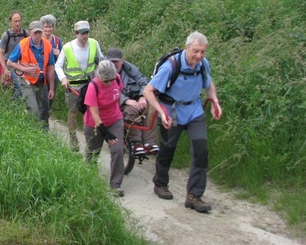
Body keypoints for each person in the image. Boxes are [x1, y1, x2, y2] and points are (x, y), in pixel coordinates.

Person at [143, 31, 222, 213]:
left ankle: (194, 196)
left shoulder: (202, 64)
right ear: (187, 48)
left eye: (203, 52)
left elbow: (209, 84)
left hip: (194, 111)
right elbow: (148, 91)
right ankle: (160, 183)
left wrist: (215, 103)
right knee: (168, 148)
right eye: (196, 51)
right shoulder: (171, 66)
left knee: (201, 151)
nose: (199, 56)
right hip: (172, 111)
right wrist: (162, 112)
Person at [55, 20, 103, 151]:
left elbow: (102, 60)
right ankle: (73, 137)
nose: (85, 36)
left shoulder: (94, 44)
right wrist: (63, 78)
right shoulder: (67, 48)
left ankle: (93, 138)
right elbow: (58, 66)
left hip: (91, 85)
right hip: (73, 87)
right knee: (73, 113)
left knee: (93, 112)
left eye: (86, 33)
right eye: (82, 34)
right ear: (76, 33)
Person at [83, 60, 125, 197]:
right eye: (105, 81)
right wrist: (105, 133)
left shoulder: (117, 79)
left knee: (118, 149)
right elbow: (94, 113)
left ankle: (115, 185)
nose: (108, 83)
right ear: (99, 77)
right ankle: (88, 181)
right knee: (93, 153)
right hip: (94, 122)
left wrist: (117, 114)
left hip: (114, 119)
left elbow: (118, 98)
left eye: (111, 80)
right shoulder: (93, 86)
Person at [106, 47, 158, 157]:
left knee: (151, 110)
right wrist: (126, 100)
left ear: (122, 61)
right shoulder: (104, 72)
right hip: (118, 102)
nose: (114, 64)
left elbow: (144, 82)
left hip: (136, 97)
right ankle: (136, 143)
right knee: (131, 111)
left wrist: (142, 96)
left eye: (116, 61)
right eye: (111, 61)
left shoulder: (130, 69)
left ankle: (150, 143)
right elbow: (108, 91)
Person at [7, 21, 56, 130]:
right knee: (34, 110)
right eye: (35, 33)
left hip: (41, 83)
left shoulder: (47, 45)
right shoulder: (23, 44)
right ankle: (33, 134)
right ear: (30, 32)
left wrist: (51, 89)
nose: (37, 35)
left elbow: (51, 67)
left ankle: (34, 133)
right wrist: (25, 69)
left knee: (40, 110)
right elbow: (10, 62)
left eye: (39, 32)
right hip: (26, 82)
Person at [0, 11, 28, 88]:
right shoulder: (6, 35)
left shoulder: (25, 34)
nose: (17, 23)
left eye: (19, 21)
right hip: (9, 65)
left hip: (22, 64)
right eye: (15, 21)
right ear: (11, 22)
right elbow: (1, 54)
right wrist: (5, 69)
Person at [41, 14, 63, 107]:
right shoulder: (38, 39)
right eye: (46, 27)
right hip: (41, 71)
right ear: (42, 27)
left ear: (53, 27)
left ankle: (48, 112)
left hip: (53, 72)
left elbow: (63, 57)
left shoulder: (57, 41)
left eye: (50, 27)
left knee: (51, 95)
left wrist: (58, 54)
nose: (48, 29)